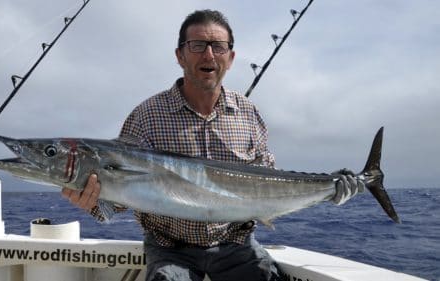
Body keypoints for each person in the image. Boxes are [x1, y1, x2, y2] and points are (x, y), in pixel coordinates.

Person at [62, 9, 363, 281]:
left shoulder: (249, 113)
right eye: (197, 46)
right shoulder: (145, 116)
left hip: (236, 244)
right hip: (170, 249)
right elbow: (119, 199)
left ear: (230, 59)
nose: (208, 54)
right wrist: (92, 202)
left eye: (218, 47)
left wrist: (329, 189)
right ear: (180, 55)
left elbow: (267, 181)